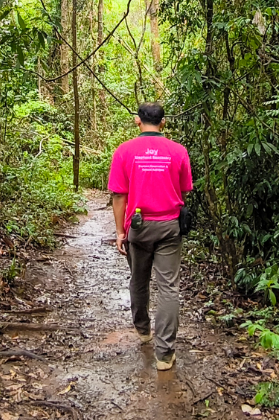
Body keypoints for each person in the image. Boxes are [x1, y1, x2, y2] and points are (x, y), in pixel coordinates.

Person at [108, 102, 192, 371]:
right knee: (169, 287)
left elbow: (119, 194)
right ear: (163, 123)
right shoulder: (178, 151)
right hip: (169, 226)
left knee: (139, 278)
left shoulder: (124, 151)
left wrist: (121, 231)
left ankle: (143, 330)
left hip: (139, 225)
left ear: (138, 121)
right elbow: (184, 191)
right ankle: (164, 355)